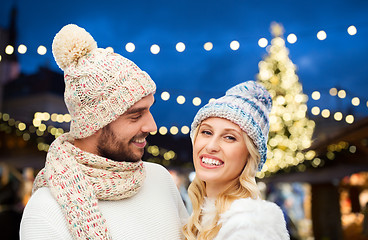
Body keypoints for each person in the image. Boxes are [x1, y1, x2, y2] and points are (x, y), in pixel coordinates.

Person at [20, 24, 188, 240]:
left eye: (150, 109)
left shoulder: (161, 180)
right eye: (136, 115)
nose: (151, 126)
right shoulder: (46, 211)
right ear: (93, 124)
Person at [183, 81, 289, 239]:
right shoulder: (196, 217)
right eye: (206, 132)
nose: (211, 146)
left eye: (229, 137)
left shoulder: (251, 226)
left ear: (250, 154)